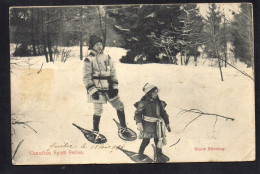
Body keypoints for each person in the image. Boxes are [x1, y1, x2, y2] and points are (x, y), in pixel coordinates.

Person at [83, 35, 132, 143]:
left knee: (119, 105)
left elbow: (113, 72)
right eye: (97, 44)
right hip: (97, 89)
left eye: (100, 43)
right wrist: (92, 90)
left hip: (108, 87)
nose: (99, 46)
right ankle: (96, 132)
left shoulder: (106, 57)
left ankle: (123, 128)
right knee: (98, 110)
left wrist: (114, 86)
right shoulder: (88, 59)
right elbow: (86, 77)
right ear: (92, 46)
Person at [134, 83, 171, 162]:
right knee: (146, 141)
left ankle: (158, 156)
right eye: (154, 92)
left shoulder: (159, 103)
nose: (156, 94)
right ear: (149, 93)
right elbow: (137, 114)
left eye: (156, 92)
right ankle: (140, 154)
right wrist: (139, 123)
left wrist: (167, 123)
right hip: (147, 126)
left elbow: (163, 114)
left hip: (157, 126)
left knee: (158, 140)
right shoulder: (143, 103)